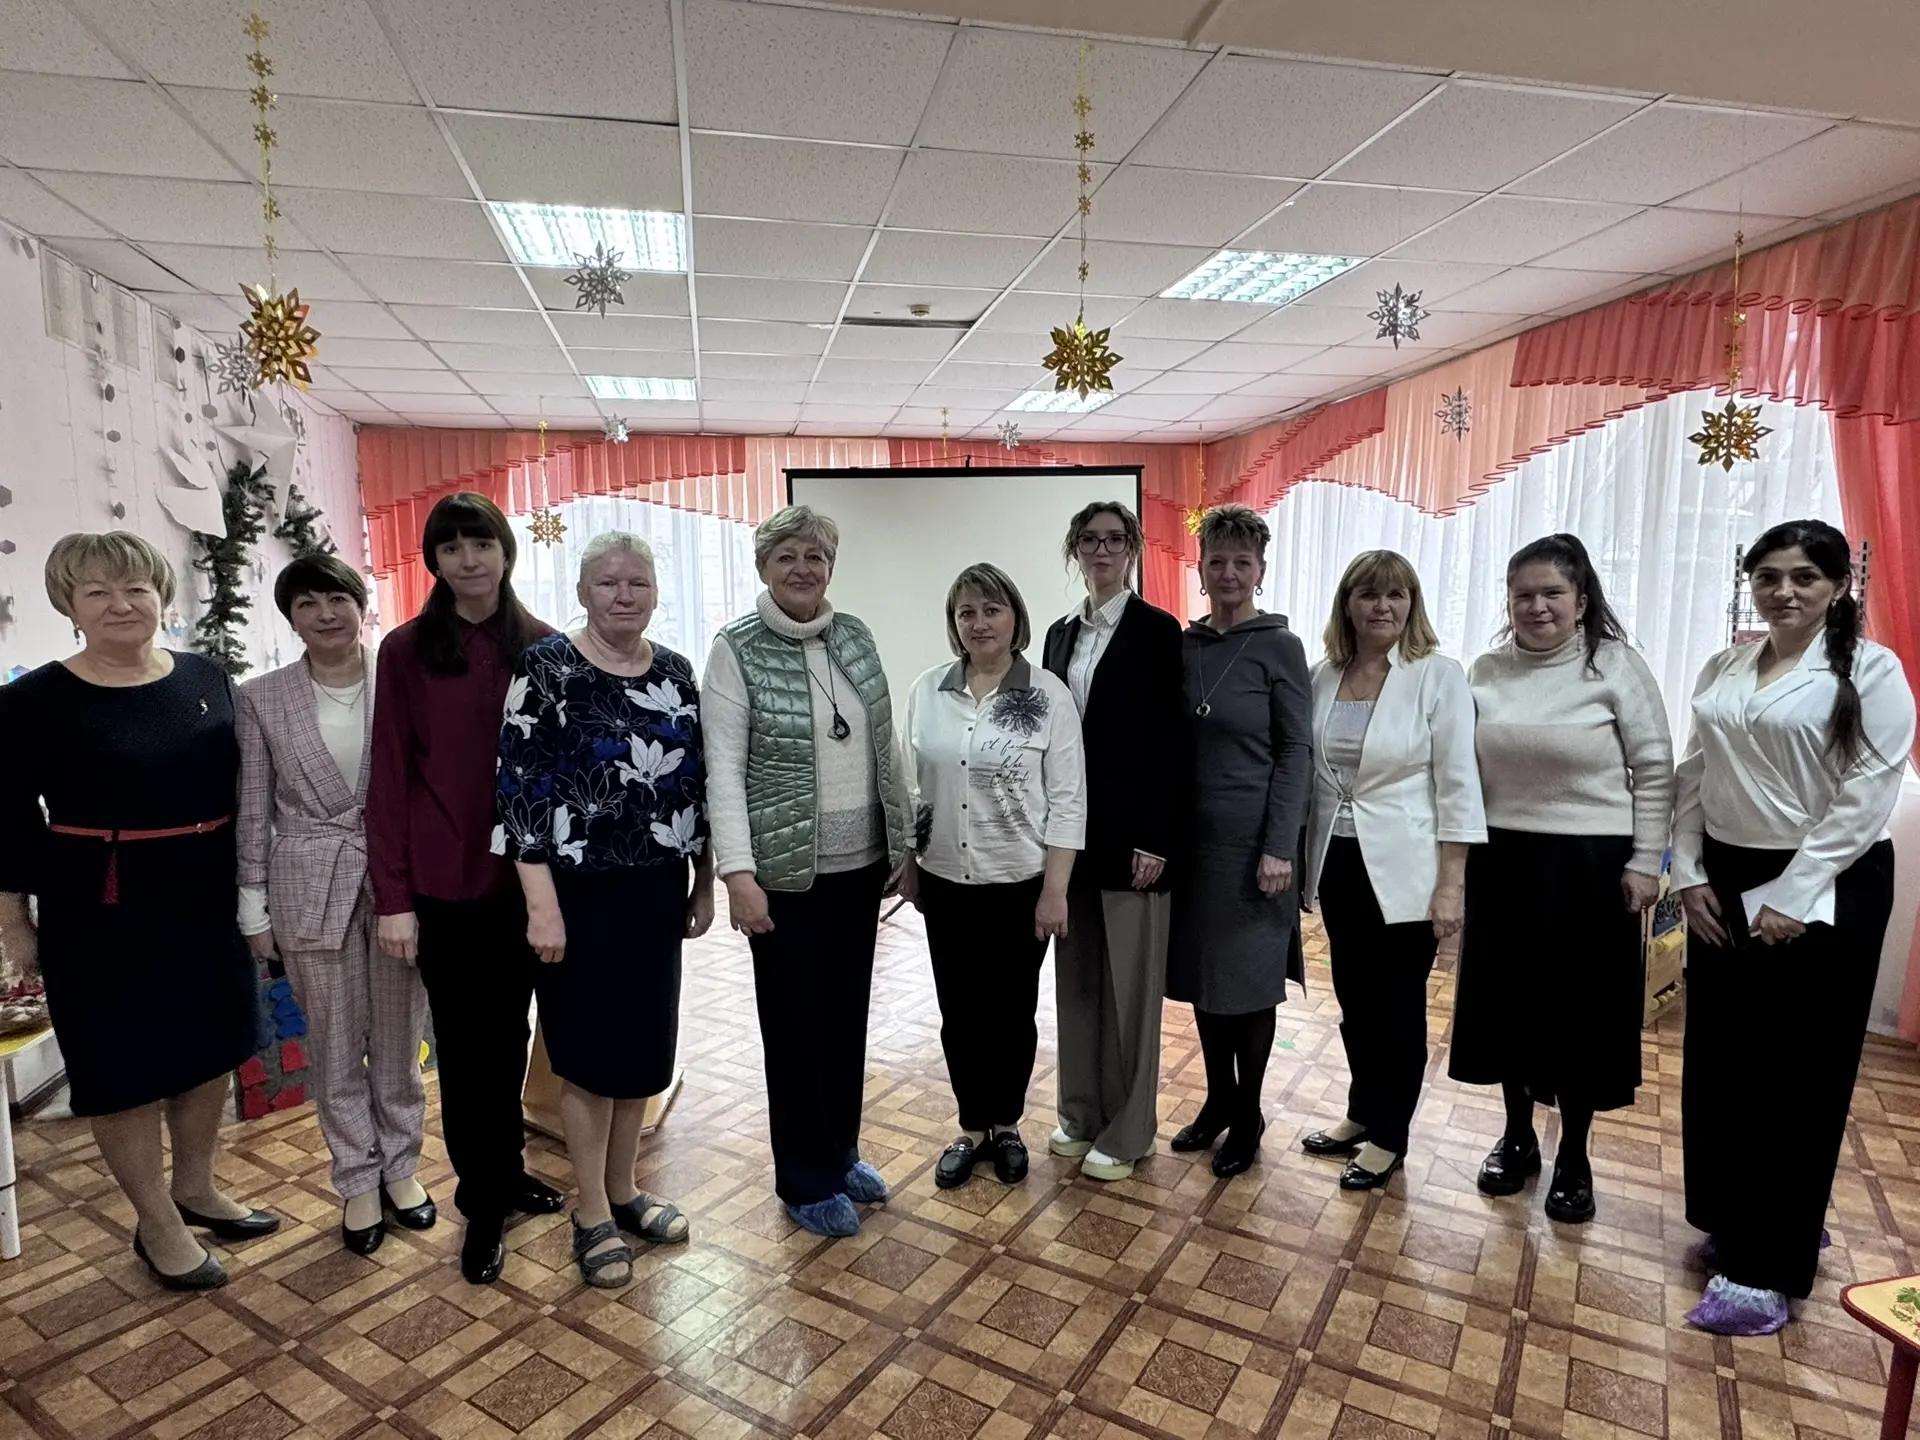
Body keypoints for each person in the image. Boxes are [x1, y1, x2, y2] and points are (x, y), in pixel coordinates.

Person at [0, 533, 277, 1291]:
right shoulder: (32, 702)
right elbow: (8, 819)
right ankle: (156, 1224)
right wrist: (14, 921)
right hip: (99, 908)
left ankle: (196, 1187)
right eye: (97, 592)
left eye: (136, 588)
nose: (121, 604)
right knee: (120, 1068)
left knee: (211, 1047)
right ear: (70, 606)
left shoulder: (206, 676)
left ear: (161, 595)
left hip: (207, 894)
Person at [1673, 520, 1915, 1336]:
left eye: (1804, 577)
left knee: (1796, 1074)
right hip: (1724, 874)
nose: (1782, 591)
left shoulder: (1871, 671)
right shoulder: (1726, 665)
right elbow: (1695, 771)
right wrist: (1688, 871)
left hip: (1827, 882)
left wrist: (1796, 892)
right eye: (1768, 575)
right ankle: (1735, 1218)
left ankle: (1768, 1265)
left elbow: (1868, 793)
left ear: (1839, 586)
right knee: (1723, 1060)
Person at [496, 532, 713, 1287]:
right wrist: (541, 908)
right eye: (608, 582)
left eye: (638, 582)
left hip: (656, 892)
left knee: (642, 1053)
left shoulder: (676, 672)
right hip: (576, 896)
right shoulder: (547, 668)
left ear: (655, 592)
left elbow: (696, 787)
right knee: (587, 1060)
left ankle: (624, 1191)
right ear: (584, 592)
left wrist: (703, 883)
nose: (624, 595)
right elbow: (519, 794)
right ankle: (590, 1210)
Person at [366, 492, 563, 1286]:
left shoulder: (546, 648)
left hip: (531, 884)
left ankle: (507, 1170)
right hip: (444, 882)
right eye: (451, 547)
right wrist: (393, 898)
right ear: (435, 562)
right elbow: (388, 775)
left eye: (481, 543)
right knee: (464, 1044)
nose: (469, 559)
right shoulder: (405, 650)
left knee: (512, 1035)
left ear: (505, 551)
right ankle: (481, 1199)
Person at [1450, 533, 1673, 1226]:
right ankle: (1517, 1137)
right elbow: (1460, 769)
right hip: (1502, 861)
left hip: (1592, 867)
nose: (1538, 606)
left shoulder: (1615, 665)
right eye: (1524, 595)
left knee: (1581, 1015)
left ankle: (1574, 1154)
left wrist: (1646, 861)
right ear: (1508, 601)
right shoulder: (1486, 669)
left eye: (1553, 593)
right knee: (1508, 1006)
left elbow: (1655, 768)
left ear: (1581, 600)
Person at [702, 505, 908, 1238]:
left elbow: (885, 742)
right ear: (764, 566)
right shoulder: (736, 649)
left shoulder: (854, 635)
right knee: (794, 1029)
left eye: (815, 557)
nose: (802, 568)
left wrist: (902, 844)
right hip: (785, 876)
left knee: (846, 1019)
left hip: (861, 868)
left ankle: (840, 1152)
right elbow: (723, 771)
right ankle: (804, 1177)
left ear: (830, 567)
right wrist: (738, 874)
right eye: (787, 556)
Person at [238, 554, 432, 1256]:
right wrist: (252, 907)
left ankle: (401, 1168)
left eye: (338, 599)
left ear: (361, 605)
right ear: (291, 618)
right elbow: (253, 806)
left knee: (401, 1037)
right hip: (307, 881)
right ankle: (356, 1180)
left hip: (398, 882)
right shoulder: (261, 698)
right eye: (308, 604)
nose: (326, 614)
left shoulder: (405, 679)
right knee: (334, 1041)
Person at [1299, 550, 1485, 1190]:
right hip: (1337, 861)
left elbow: (1458, 784)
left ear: (1412, 605)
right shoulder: (1323, 676)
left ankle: (1390, 1135)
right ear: (1347, 605)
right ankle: (1362, 1111)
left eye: (1395, 595)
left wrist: (1451, 884)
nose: (1382, 606)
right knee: (1354, 999)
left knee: (1397, 1007)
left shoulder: (1437, 676)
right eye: (1368, 594)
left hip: (1409, 870)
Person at [899, 564, 1086, 1190]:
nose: (979, 623)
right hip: (945, 882)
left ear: (1015, 618)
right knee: (959, 1011)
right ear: (954, 623)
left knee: (1010, 1013)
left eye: (991, 610)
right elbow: (913, 786)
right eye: (966, 612)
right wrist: (910, 858)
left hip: (1020, 883)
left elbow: (1069, 800)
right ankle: (972, 1126)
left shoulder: (1049, 696)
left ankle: (1006, 1125)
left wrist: (1055, 890)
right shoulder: (928, 690)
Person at [1041, 501, 1187, 1184]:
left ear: (1132, 549)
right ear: (1074, 549)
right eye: (1090, 539)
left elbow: (1171, 740)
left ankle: (1129, 1130)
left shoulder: (1158, 630)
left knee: (1130, 995)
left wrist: (1156, 837)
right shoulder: (1059, 634)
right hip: (1070, 840)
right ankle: (1080, 1114)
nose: (1102, 550)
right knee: (1078, 989)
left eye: (1115, 539)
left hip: (1135, 842)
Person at [1167, 505, 1311, 1179]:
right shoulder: (1186, 646)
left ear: (1261, 570)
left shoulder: (1280, 647)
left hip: (1257, 851)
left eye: (1241, 562)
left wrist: (1280, 846)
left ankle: (1248, 1112)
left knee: (1249, 987)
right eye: (1216, 561)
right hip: (1194, 849)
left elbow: (1295, 751)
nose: (1228, 573)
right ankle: (1218, 1099)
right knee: (1206, 980)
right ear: (1200, 570)